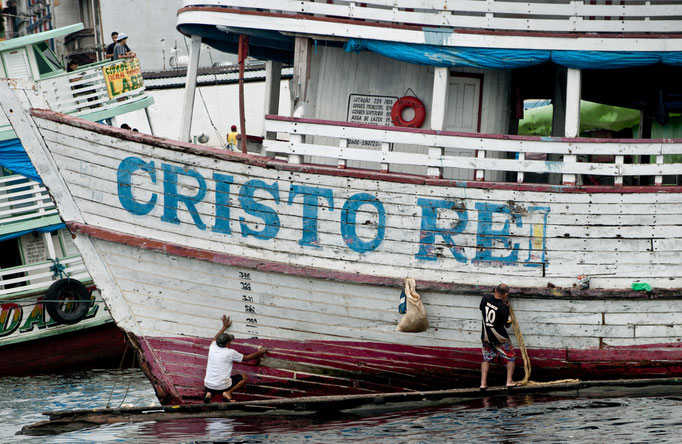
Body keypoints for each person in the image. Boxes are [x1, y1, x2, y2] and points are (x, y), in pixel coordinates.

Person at [203, 314, 266, 403]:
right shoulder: (230, 353)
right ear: (227, 343)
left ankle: (208, 394)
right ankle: (227, 392)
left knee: (214, 382)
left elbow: (215, 338)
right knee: (244, 377)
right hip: (222, 386)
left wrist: (224, 327)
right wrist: (259, 352)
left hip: (207, 385)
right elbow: (246, 358)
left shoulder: (212, 346)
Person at [479, 284, 516, 390]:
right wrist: (507, 308)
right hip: (500, 338)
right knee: (511, 357)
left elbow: (482, 308)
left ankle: (483, 383)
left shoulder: (485, 298)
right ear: (506, 294)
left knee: (486, 358)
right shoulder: (504, 308)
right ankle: (509, 381)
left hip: (486, 336)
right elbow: (507, 325)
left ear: (495, 289)